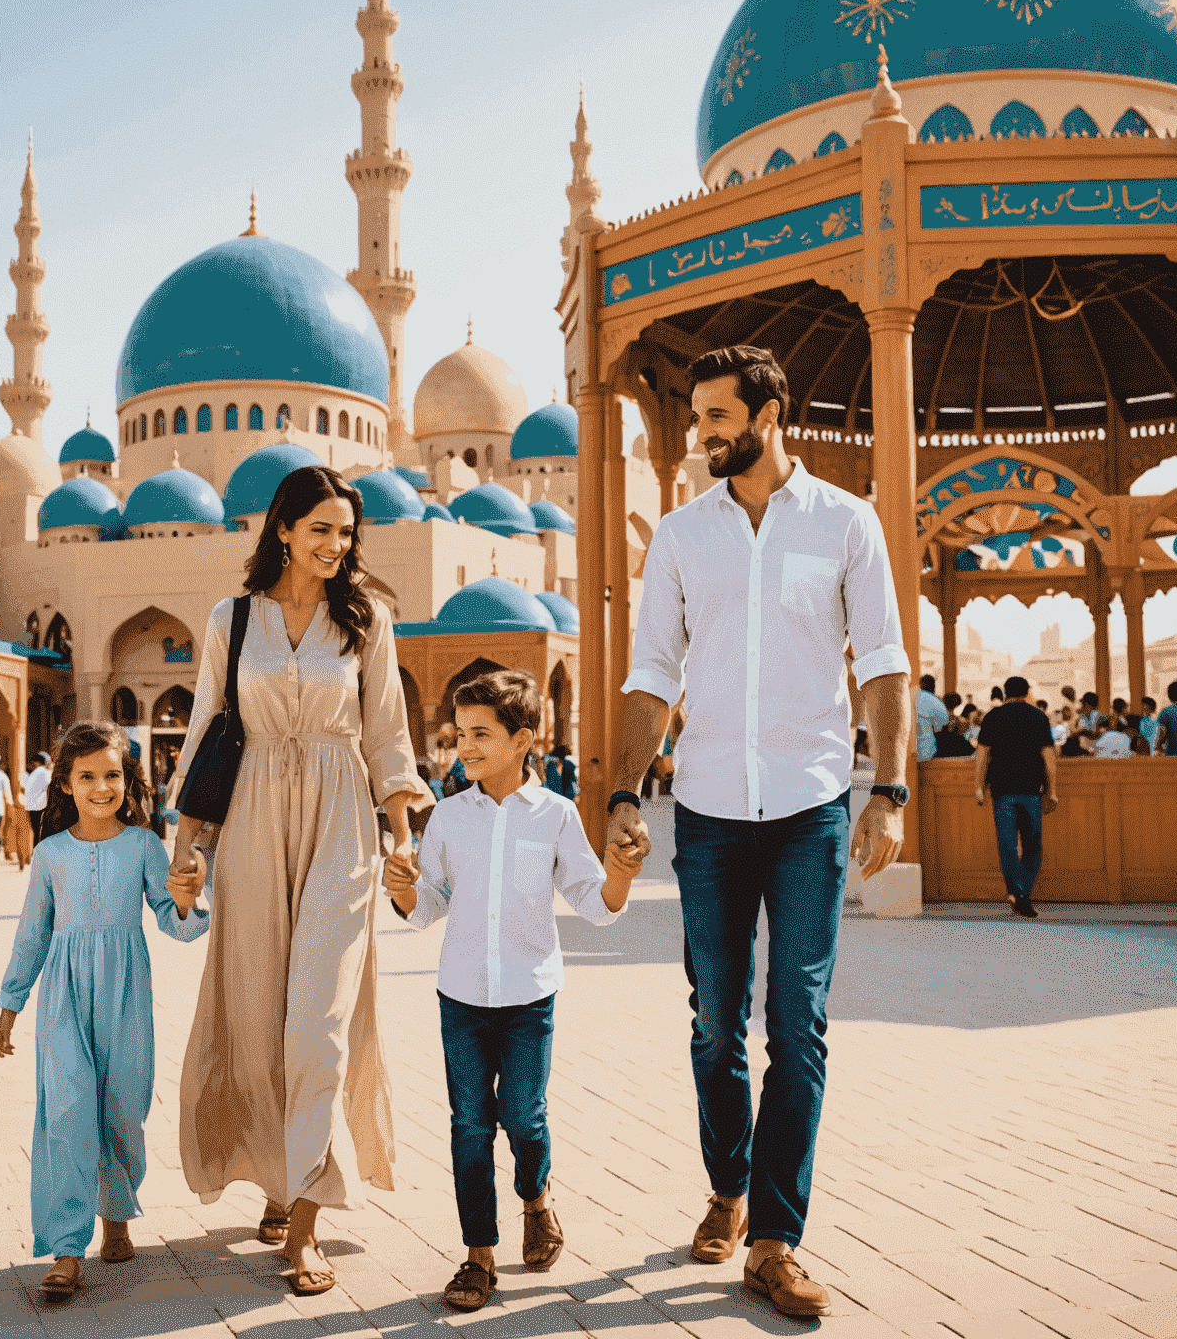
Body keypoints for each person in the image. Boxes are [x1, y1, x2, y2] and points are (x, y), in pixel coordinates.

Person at [610, 344, 910, 1321]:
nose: (700, 434)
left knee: (801, 1028)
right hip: (706, 811)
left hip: (811, 806)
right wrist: (621, 792)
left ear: (771, 415)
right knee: (713, 1028)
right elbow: (651, 668)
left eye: (717, 417)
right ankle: (727, 1190)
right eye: (696, 417)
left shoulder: (845, 524)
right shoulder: (682, 537)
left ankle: (776, 1238)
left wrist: (890, 791)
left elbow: (884, 663)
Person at [167, 465, 431, 1295]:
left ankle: (307, 1215)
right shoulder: (231, 619)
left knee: (318, 1018)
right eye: (320, 529)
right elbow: (210, 726)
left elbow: (387, 732)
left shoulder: (366, 621)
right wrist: (188, 846)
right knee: (254, 1011)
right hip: (248, 821)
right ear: (283, 528)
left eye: (346, 534)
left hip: (341, 823)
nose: (334, 546)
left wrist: (400, 839)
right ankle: (279, 1174)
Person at [382, 670, 643, 1311]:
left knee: (524, 1116)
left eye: (480, 734)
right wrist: (402, 885)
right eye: (459, 733)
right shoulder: (446, 816)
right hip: (461, 997)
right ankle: (477, 1257)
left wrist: (620, 874)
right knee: (470, 1124)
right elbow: (427, 907)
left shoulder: (555, 817)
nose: (463, 746)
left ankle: (538, 1199)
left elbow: (597, 904)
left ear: (523, 739)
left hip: (530, 998)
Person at [0, 721, 209, 1301]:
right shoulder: (49, 854)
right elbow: (31, 933)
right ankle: (66, 1246)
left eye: (111, 775)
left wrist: (186, 902)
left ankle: (116, 1215)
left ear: (126, 779)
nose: (100, 787)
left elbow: (171, 919)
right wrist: (11, 1003)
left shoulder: (142, 844)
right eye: (86, 776)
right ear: (64, 784)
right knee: (65, 1110)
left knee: (122, 1109)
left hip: (126, 996)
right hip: (62, 999)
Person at [973, 675, 1057, 918]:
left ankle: (1017, 893)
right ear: (1027, 692)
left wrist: (978, 786)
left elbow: (982, 754)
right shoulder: (1038, 717)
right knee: (1033, 845)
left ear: (1005, 692)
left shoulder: (993, 717)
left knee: (1007, 845)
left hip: (1002, 791)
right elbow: (1048, 756)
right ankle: (1022, 895)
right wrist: (1052, 791)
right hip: (1031, 790)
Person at [916, 674, 948, 761]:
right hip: (927, 750)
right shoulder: (936, 701)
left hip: (910, 749)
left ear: (920, 685)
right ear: (934, 686)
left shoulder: (912, 697)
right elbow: (943, 724)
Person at [24, 751, 52, 845]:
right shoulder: (44, 772)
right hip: (41, 808)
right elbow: (50, 788)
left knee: (37, 834)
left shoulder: (34, 773)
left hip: (32, 808)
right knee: (42, 835)